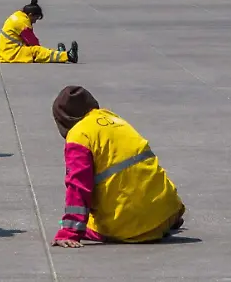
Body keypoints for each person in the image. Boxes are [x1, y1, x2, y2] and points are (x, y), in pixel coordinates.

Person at [51, 86, 185, 248]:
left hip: (130, 226)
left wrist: (69, 232)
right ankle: (157, 218)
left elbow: (78, 186)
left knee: (91, 225)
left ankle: (141, 224)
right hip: (167, 212)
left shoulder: (79, 135)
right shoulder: (114, 119)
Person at [0, 0, 78, 63]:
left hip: (6, 51)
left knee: (37, 50)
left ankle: (59, 55)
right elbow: (33, 42)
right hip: (11, 54)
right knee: (37, 51)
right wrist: (41, 50)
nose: (35, 22)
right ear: (30, 15)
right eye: (35, 18)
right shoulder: (22, 23)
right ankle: (68, 56)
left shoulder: (18, 15)